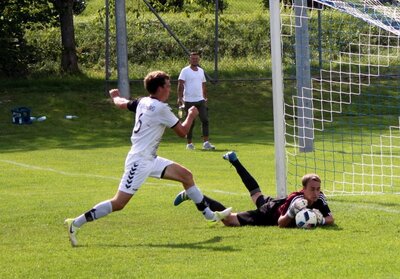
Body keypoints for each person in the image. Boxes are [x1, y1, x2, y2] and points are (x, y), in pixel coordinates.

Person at [64, 71, 231, 247]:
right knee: (119, 203)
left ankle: (209, 215)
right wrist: (191, 115)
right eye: (167, 86)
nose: (170, 89)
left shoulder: (143, 101)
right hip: (139, 161)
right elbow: (182, 132)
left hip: (150, 158)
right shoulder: (161, 109)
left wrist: (115, 96)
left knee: (186, 176)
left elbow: (122, 104)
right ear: (159, 88)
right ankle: (75, 223)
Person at [174, 151, 334, 228]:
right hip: (270, 213)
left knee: (256, 194)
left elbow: (331, 219)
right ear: (303, 189)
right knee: (230, 220)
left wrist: (319, 220)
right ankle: (194, 195)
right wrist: (292, 213)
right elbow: (280, 223)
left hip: (278, 203)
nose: (316, 192)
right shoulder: (297, 200)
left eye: (318, 189)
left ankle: (235, 161)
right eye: (312, 189)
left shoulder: (319, 197)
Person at [177, 52, 215, 150]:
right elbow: (180, 84)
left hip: (200, 100)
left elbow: (203, 85)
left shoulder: (201, 71)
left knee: (205, 120)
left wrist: (205, 97)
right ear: (190, 60)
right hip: (189, 101)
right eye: (193, 58)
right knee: (191, 122)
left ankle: (206, 143)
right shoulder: (185, 71)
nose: (195, 60)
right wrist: (180, 98)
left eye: (196, 59)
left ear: (199, 60)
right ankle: (189, 144)